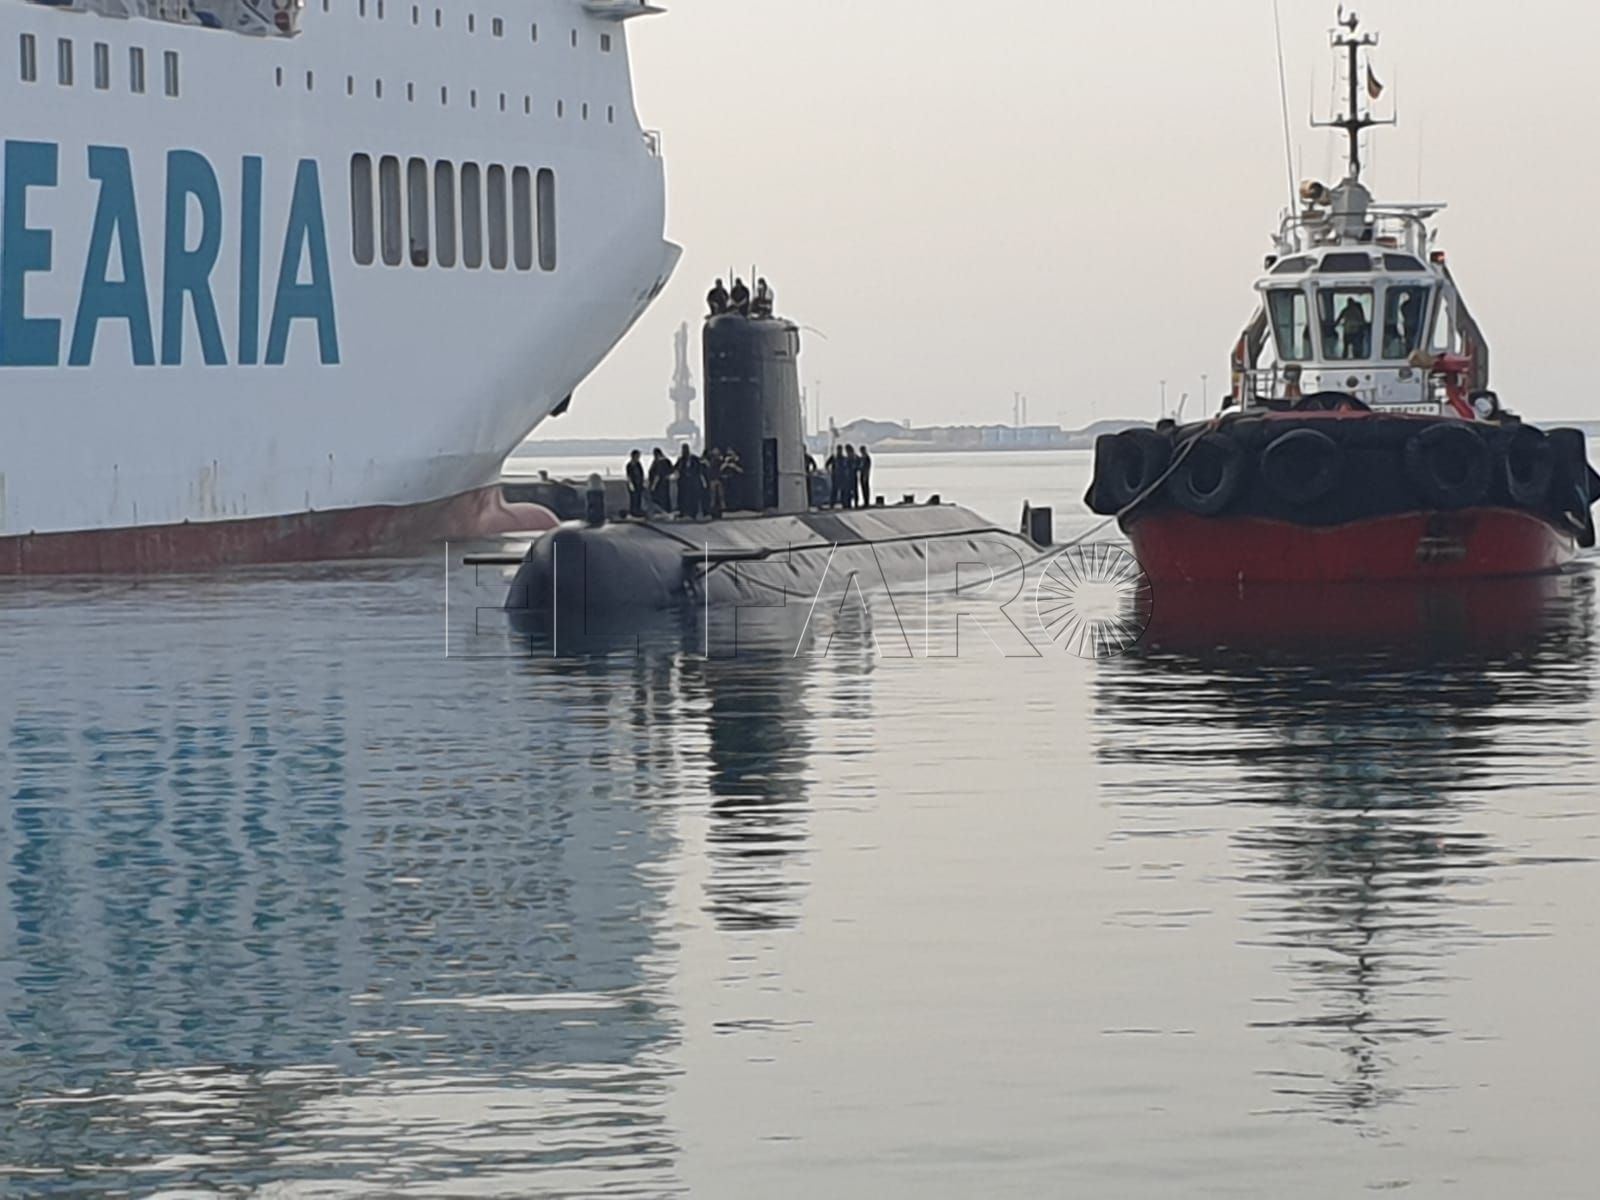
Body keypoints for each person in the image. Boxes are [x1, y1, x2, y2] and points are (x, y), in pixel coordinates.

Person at [648, 447, 673, 511]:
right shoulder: (666, 461)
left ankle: (661, 511)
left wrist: (653, 486)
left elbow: (657, 475)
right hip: (665, 483)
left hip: (658, 485)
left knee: (659, 499)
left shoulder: (658, 462)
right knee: (665, 498)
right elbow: (671, 471)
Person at [625, 449, 646, 517]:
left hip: (639, 484)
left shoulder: (638, 464)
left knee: (638, 498)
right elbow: (629, 476)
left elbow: (641, 474)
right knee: (634, 498)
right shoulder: (629, 465)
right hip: (633, 484)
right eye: (637, 456)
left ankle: (638, 510)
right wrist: (631, 484)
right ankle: (633, 511)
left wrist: (642, 482)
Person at [842, 445, 859, 510]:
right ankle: (848, 504)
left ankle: (855, 503)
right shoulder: (847, 458)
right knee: (848, 491)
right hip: (848, 476)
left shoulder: (855, 458)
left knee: (854, 490)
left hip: (853, 475)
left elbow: (857, 466)